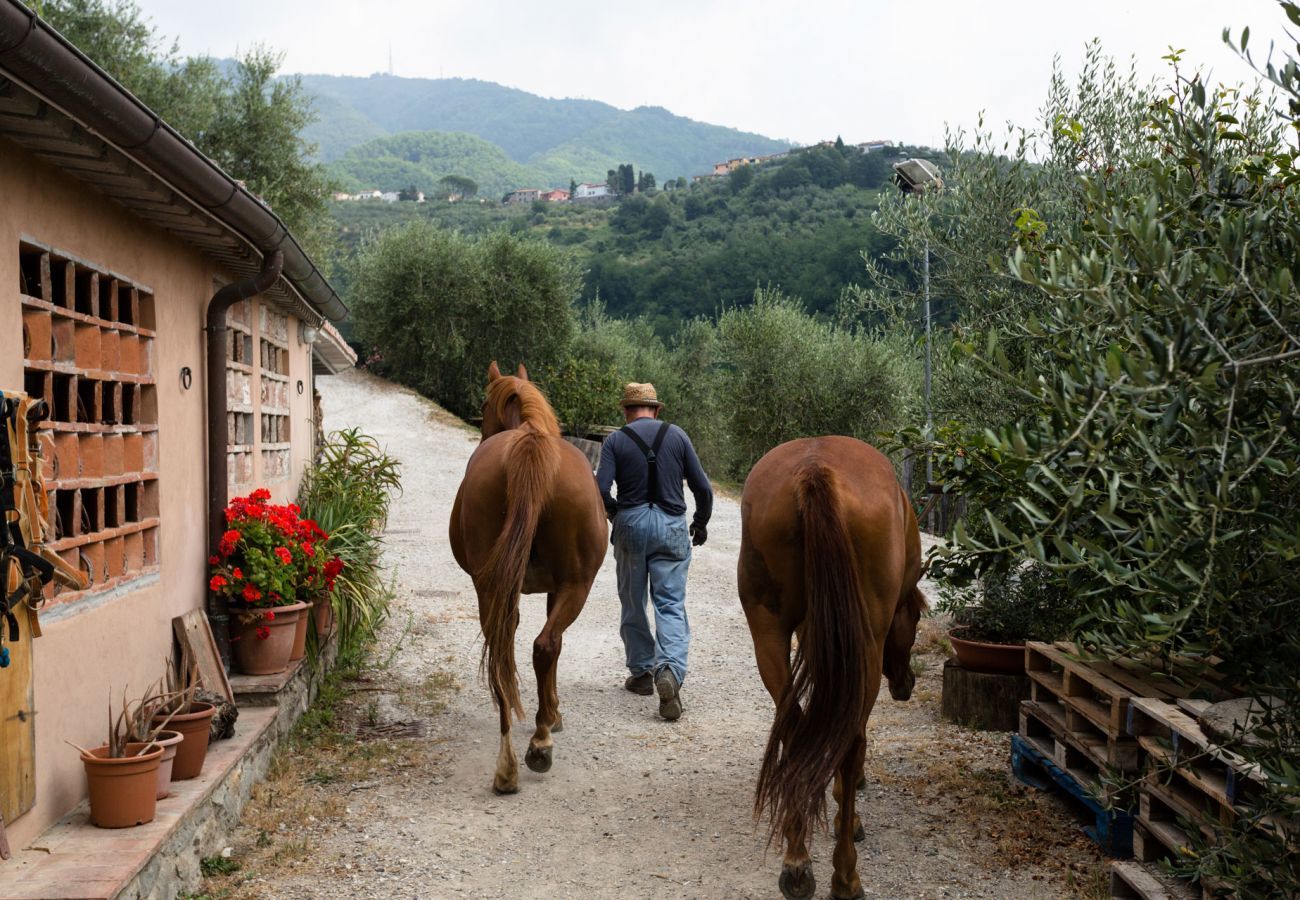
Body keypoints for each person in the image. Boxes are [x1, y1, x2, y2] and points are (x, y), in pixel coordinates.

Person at [597, 382, 713, 721]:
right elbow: (703, 488)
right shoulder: (676, 435)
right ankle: (671, 672)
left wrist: (616, 513)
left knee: (633, 601)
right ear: (657, 410)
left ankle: (641, 673)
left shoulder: (616, 440)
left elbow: (600, 488)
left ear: (625, 411)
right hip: (671, 526)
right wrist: (701, 522)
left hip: (631, 524)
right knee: (670, 603)